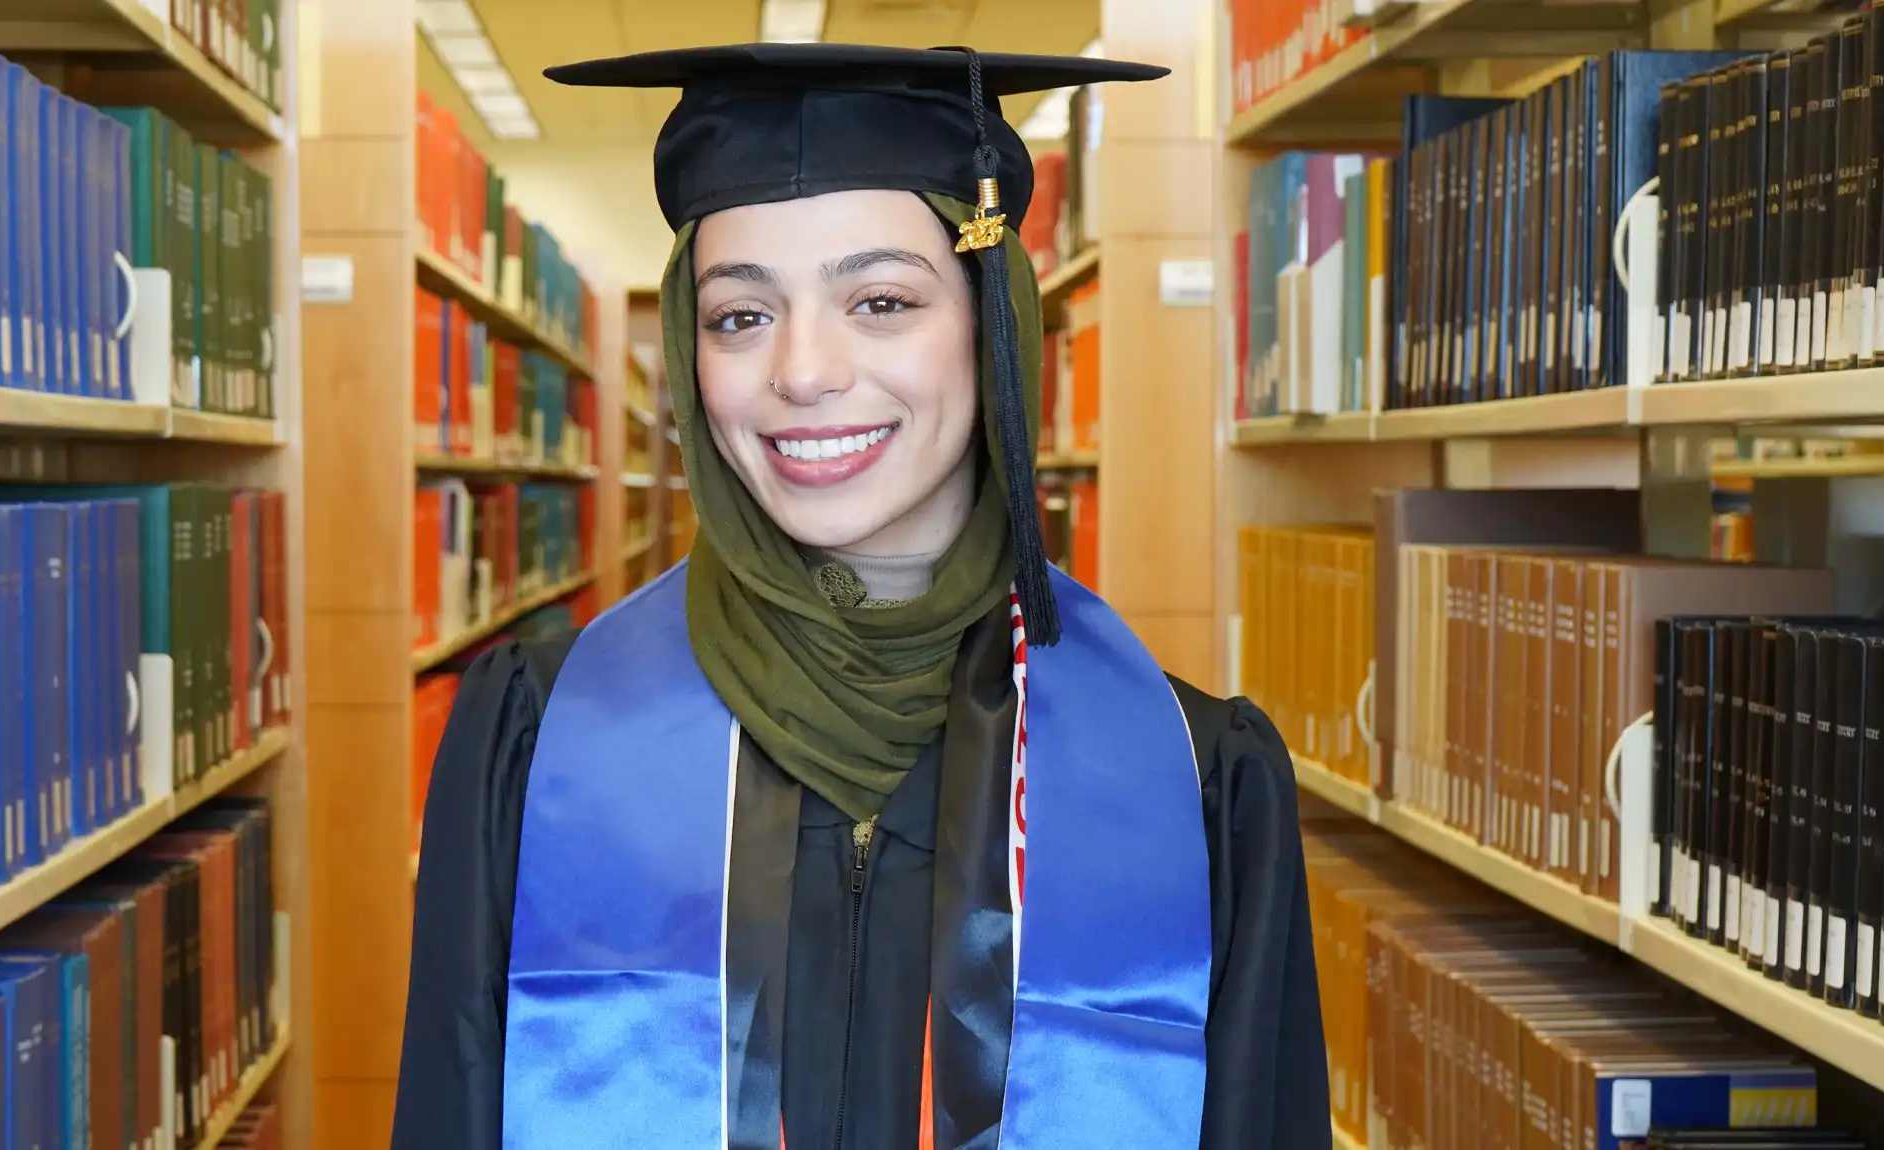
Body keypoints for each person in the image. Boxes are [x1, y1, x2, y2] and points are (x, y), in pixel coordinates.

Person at [392, 42, 1330, 1150]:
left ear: (993, 328)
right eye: (739, 314)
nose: (801, 370)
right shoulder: (544, 736)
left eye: (879, 300)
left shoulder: (1186, 774)